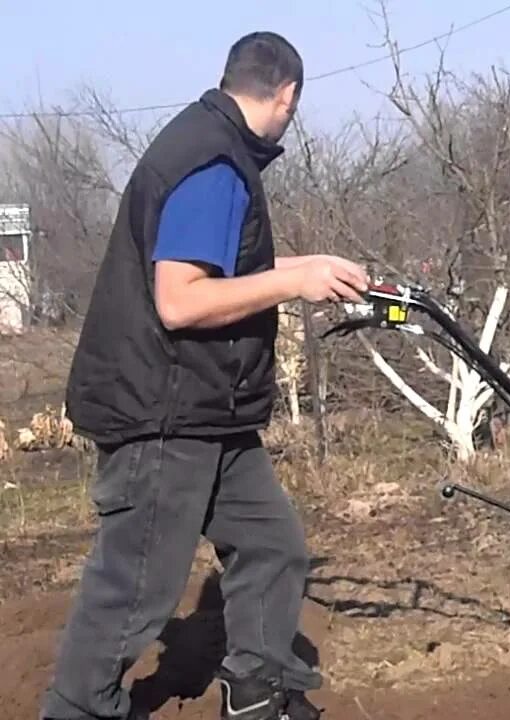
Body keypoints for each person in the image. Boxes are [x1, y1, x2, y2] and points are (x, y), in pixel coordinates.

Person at [41, 31, 369, 720]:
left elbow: (220, 270)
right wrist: (291, 284)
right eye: (293, 108)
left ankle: (255, 694)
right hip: (165, 415)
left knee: (272, 546)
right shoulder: (214, 163)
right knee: (133, 591)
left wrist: (304, 269)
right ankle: (76, 711)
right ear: (287, 96)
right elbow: (181, 298)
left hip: (206, 411)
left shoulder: (205, 142)